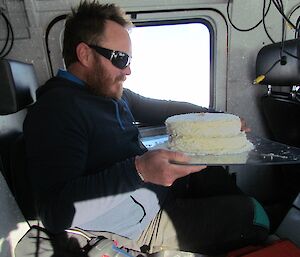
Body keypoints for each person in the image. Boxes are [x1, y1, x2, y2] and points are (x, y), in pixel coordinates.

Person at [23, 1, 269, 255]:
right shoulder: (56, 111)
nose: (128, 69)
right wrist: (139, 170)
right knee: (255, 215)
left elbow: (163, 108)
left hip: (153, 193)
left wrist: (220, 119)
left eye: (129, 59)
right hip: (138, 223)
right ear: (84, 54)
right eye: (120, 59)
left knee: (212, 173)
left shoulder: (110, 94)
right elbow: (55, 212)